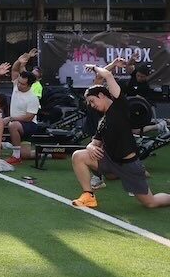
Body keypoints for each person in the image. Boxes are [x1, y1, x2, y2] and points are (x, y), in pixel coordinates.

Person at [72, 61, 170, 209]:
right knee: (78, 156)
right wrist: (90, 147)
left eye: (92, 101)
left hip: (129, 165)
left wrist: (94, 67)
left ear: (101, 95)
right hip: (110, 162)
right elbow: (95, 142)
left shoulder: (119, 105)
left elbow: (107, 75)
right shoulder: (103, 120)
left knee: (151, 203)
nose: (92, 105)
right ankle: (89, 196)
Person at [5, 49, 41, 166]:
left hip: (29, 125)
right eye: (19, 82)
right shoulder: (16, 85)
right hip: (19, 123)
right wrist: (19, 61)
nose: (19, 85)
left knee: (12, 125)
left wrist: (11, 118)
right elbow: (15, 70)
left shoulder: (32, 98)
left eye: (22, 84)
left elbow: (29, 117)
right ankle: (50, 154)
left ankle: (15, 157)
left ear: (29, 85)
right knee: (25, 155)